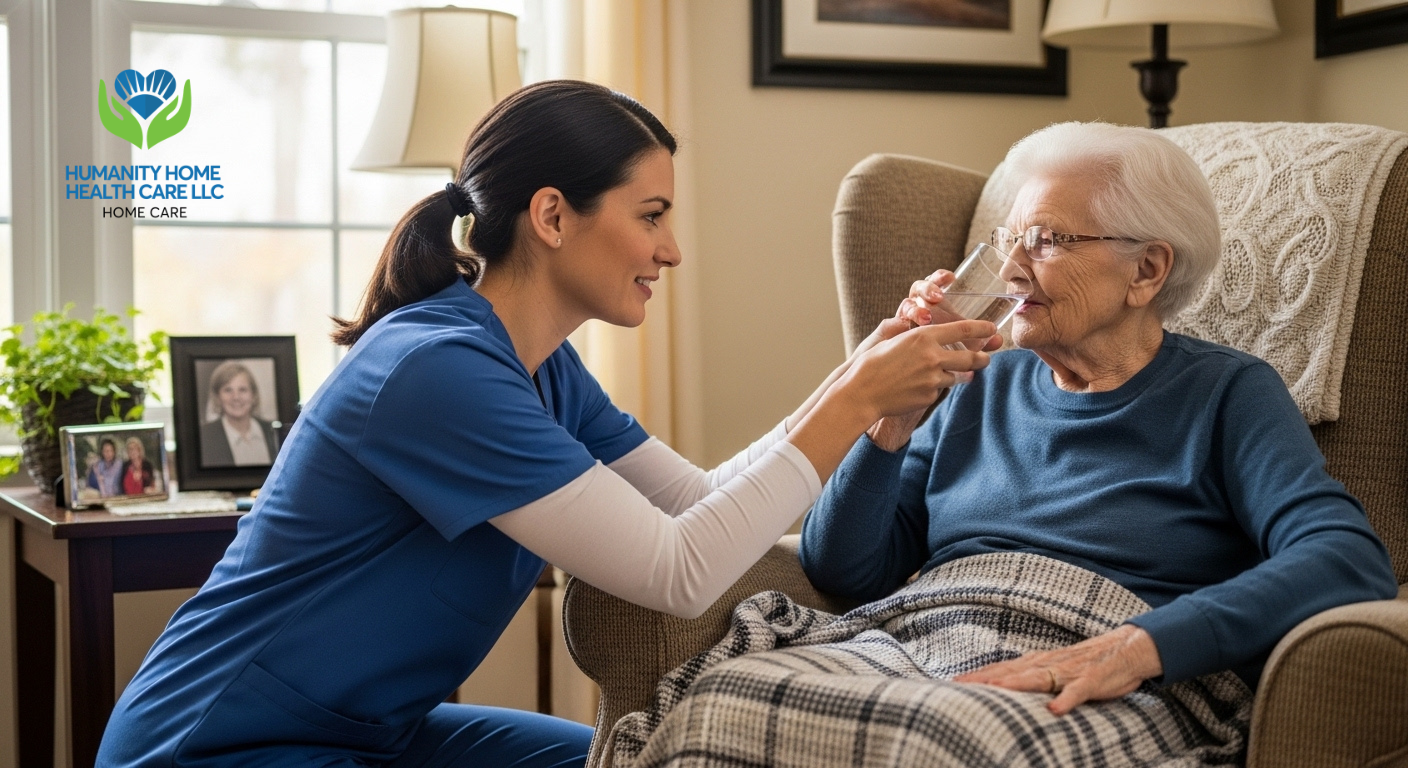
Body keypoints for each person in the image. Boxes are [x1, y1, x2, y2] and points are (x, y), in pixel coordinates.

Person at [97, 81, 1000, 768]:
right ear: (553, 216)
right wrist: (854, 400)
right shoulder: (434, 372)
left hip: (377, 730)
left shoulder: (540, 367)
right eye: (652, 216)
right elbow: (676, 572)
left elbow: (700, 500)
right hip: (223, 742)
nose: (671, 250)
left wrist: (859, 376)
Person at [800, 121, 1398, 718]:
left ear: (1146, 271)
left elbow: (1345, 559)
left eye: (1046, 239)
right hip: (921, 647)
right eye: (1007, 238)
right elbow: (845, 569)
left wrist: (1140, 647)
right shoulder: (979, 384)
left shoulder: (1228, 394)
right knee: (722, 703)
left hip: (1087, 676)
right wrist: (892, 419)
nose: (1009, 268)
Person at [198, 360, 280, 468]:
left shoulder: (273, 431)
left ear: (254, 395)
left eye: (242, 390)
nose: (236, 397)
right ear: (217, 397)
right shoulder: (205, 436)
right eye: (228, 390)